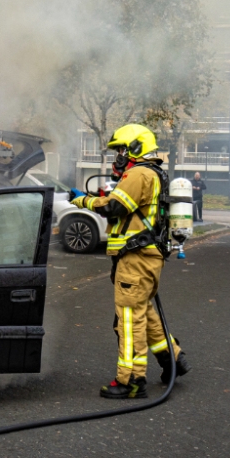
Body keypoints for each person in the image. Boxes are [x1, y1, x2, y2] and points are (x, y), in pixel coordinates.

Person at [71, 124, 190, 399]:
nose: (120, 155)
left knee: (128, 320)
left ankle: (131, 381)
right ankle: (173, 359)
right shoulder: (154, 173)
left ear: (137, 147)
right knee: (144, 313)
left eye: (123, 149)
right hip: (146, 258)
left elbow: (115, 207)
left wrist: (82, 201)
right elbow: (126, 210)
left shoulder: (138, 173)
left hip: (136, 259)